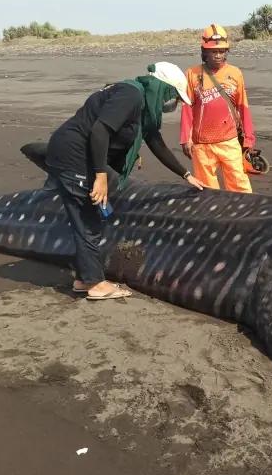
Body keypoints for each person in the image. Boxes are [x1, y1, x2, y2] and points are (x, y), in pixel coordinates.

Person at [45, 62, 208, 300]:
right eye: (174, 97)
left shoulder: (143, 107)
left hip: (79, 155)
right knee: (89, 219)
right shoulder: (131, 95)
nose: (174, 104)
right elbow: (100, 131)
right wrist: (100, 176)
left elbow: (156, 143)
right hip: (74, 155)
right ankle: (95, 283)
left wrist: (186, 174)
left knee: (87, 217)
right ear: (162, 88)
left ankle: (84, 278)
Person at [180, 24, 256, 193]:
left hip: (229, 141)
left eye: (222, 51)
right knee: (207, 191)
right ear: (204, 52)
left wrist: (249, 138)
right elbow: (187, 108)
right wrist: (186, 137)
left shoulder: (235, 73)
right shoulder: (192, 74)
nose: (218, 55)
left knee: (240, 188)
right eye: (214, 51)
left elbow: (243, 106)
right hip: (202, 145)